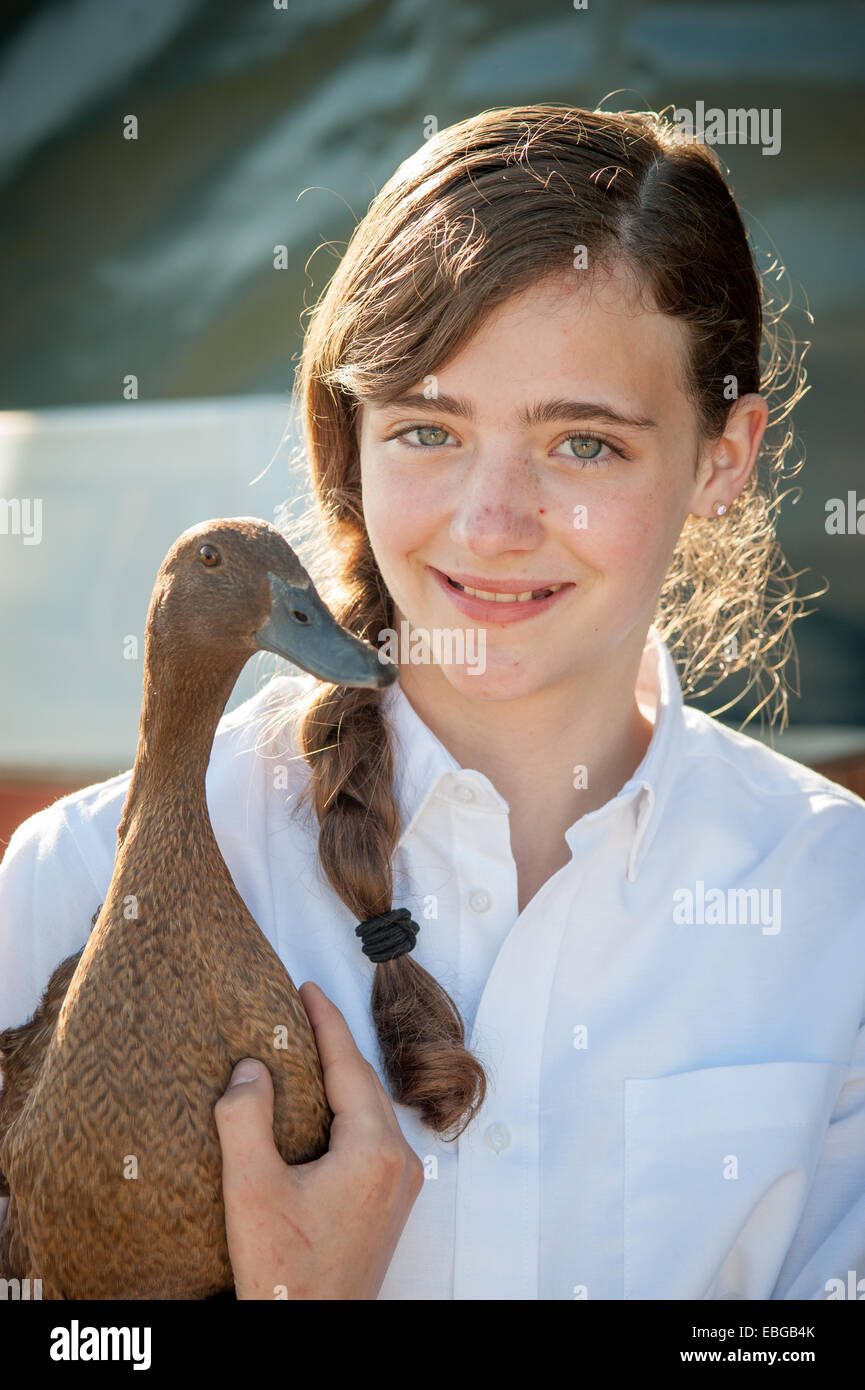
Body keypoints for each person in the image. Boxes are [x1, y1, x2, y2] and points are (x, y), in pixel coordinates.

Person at [1, 103, 864, 1300]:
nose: (493, 524)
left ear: (723, 456)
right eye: (426, 429)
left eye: (584, 446)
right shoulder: (71, 884)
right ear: (344, 446)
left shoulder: (837, 905)